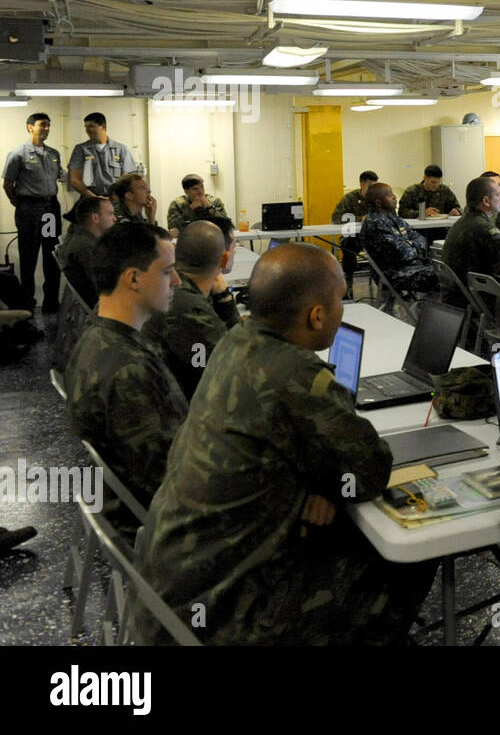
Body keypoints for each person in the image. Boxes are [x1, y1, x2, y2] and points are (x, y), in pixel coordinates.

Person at [134, 244, 435, 645]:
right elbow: (370, 469)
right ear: (316, 316)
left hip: (174, 590)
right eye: (339, 303)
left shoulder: (235, 342)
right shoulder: (296, 375)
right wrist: (331, 479)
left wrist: (324, 484)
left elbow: (294, 447)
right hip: (230, 616)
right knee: (414, 548)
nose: (342, 310)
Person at [64, 223, 187, 506]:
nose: (177, 281)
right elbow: (171, 481)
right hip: (166, 526)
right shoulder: (128, 369)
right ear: (133, 278)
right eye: (167, 272)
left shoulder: (98, 336)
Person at [143, 220, 241, 399]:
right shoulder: (190, 309)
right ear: (224, 259)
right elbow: (238, 365)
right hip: (178, 413)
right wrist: (226, 301)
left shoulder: (167, 286)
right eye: (234, 247)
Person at [4, 112, 64, 312]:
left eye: (49, 125)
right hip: (29, 210)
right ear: (30, 127)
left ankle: (51, 302)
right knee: (28, 257)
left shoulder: (54, 154)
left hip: (49, 211)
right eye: (42, 125)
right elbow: (8, 184)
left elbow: (61, 176)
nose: (46, 128)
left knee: (51, 254)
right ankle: (27, 303)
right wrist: (18, 202)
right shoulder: (18, 154)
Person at [359, 183, 439, 294]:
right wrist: (415, 246)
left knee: (452, 271)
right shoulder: (374, 224)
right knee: (445, 277)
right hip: (394, 274)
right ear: (378, 202)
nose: (394, 197)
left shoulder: (394, 218)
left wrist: (409, 244)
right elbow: (402, 254)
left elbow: (421, 239)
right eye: (389, 195)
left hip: (413, 266)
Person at [440, 176, 500, 307]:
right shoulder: (487, 231)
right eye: (498, 195)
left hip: (454, 295)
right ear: (486, 201)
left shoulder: (461, 222)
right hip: (475, 299)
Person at [56, 196, 116, 307]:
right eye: (110, 214)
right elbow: (102, 287)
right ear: (95, 218)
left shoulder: (86, 240)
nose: (115, 218)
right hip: (107, 307)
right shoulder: (85, 248)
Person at [68, 111, 137, 199]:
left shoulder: (121, 149)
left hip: (116, 200)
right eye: (86, 127)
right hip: (90, 200)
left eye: (91, 126)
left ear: (103, 126)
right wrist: (95, 198)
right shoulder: (81, 149)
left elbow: (128, 179)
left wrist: (115, 197)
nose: (87, 130)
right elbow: (74, 180)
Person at [331, 170, 378, 297]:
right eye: (370, 186)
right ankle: (348, 283)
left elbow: (391, 214)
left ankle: (383, 282)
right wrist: (360, 219)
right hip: (354, 236)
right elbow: (336, 217)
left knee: (386, 246)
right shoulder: (350, 198)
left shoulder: (378, 198)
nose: (373, 190)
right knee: (348, 245)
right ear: (362, 184)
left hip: (373, 236)